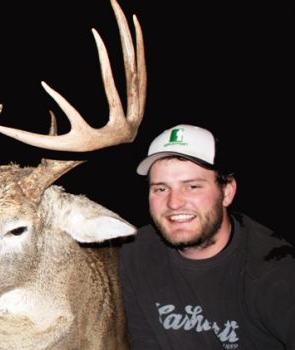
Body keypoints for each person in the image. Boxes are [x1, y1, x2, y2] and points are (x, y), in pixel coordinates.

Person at [119, 124, 295, 349]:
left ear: (227, 192)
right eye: (161, 189)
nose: (174, 203)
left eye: (192, 186)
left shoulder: (275, 270)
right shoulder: (135, 256)